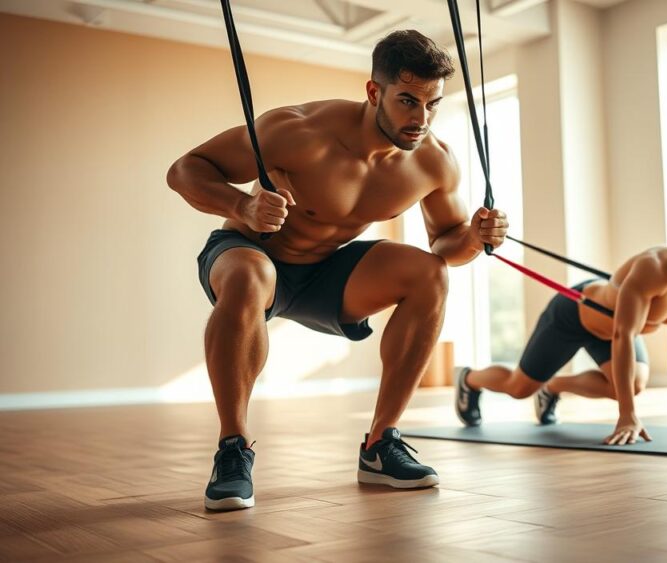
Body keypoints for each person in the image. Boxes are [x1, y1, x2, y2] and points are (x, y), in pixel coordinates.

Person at [166, 30, 508, 509]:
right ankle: (233, 449)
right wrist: (242, 206)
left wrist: (476, 236)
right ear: (374, 92)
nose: (421, 118)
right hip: (250, 251)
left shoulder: (434, 161)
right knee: (249, 276)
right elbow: (185, 170)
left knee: (430, 272)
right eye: (408, 101)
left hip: (328, 273)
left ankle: (380, 445)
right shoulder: (297, 131)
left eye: (433, 104)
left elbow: (447, 244)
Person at [455, 228, 667, 445]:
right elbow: (623, 336)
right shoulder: (656, 268)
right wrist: (627, 415)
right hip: (573, 316)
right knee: (519, 387)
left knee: (633, 384)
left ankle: (553, 387)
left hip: (619, 327)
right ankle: (470, 379)